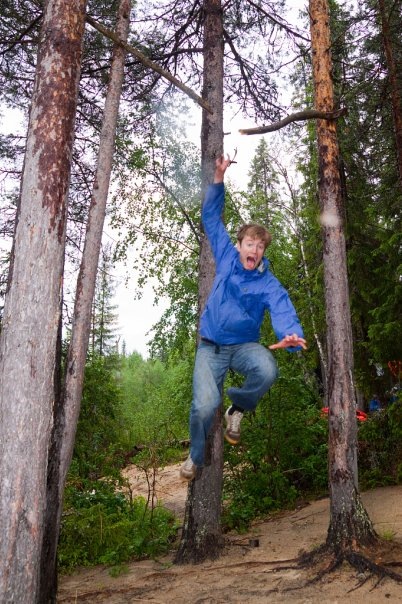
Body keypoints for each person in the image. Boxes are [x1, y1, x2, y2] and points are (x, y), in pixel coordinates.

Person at [180, 155, 307, 481]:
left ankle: (237, 408)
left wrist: (291, 334)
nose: (254, 250)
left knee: (267, 369)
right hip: (211, 346)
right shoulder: (226, 255)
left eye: (260, 247)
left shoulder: (267, 282)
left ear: (263, 252)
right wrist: (218, 179)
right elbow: (211, 218)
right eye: (250, 244)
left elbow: (282, 307)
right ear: (239, 246)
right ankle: (195, 455)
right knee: (204, 405)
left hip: (243, 347)